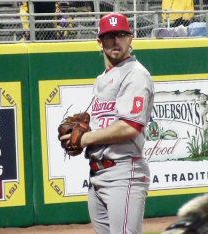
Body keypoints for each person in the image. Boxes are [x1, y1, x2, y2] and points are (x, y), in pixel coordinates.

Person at [60, 13, 154, 234]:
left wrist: (84, 138)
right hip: (97, 175)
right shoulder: (102, 78)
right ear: (99, 42)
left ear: (131, 39)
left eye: (121, 34)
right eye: (109, 35)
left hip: (123, 172)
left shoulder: (136, 75)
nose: (115, 41)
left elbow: (130, 126)